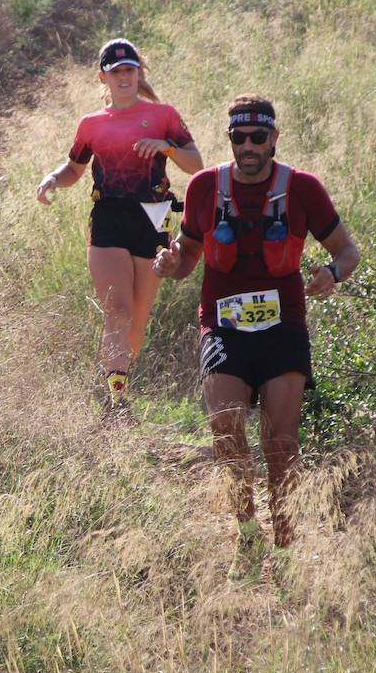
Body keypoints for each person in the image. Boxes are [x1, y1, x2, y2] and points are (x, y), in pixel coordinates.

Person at [154, 95, 359, 556]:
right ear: (229, 139)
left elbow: (347, 251)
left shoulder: (303, 189)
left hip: (283, 327)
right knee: (226, 430)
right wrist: (171, 264)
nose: (248, 146)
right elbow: (188, 257)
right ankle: (247, 539)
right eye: (238, 138)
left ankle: (285, 544)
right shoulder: (205, 187)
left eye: (257, 137)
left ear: (274, 139)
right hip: (223, 328)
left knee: (281, 444)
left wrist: (333, 273)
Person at [35, 38, 204, 410]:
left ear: (138, 72)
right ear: (103, 78)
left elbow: (197, 165)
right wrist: (51, 178)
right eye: (116, 72)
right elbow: (75, 169)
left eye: (130, 70)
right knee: (118, 312)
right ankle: (117, 402)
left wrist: (166, 147)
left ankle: (118, 381)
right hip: (109, 217)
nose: (124, 77)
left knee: (137, 324)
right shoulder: (91, 124)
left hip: (153, 217)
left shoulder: (164, 116)